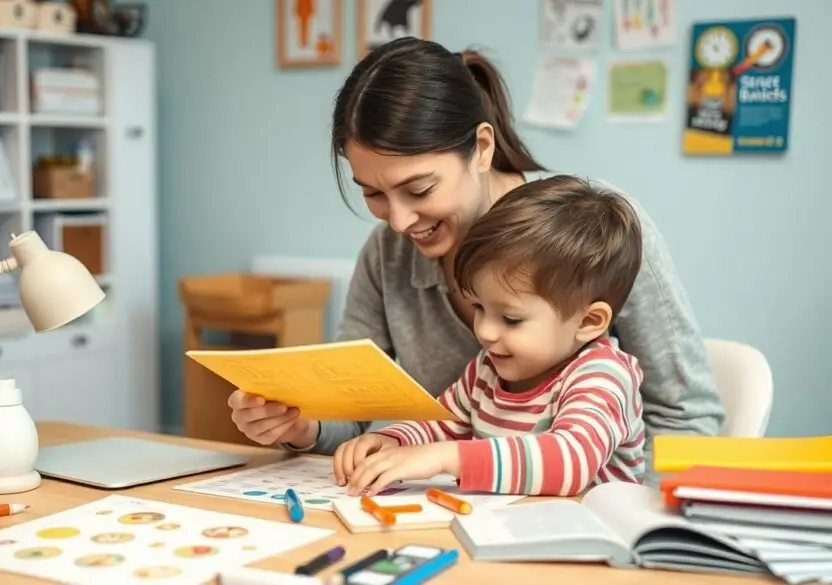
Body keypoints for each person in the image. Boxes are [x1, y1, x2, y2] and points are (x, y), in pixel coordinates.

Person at [226, 37, 724, 483]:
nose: (397, 222)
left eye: (418, 189)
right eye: (373, 194)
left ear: (482, 148)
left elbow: (685, 420)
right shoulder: (397, 265)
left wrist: (645, 530)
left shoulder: (592, 235)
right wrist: (301, 426)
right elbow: (387, 418)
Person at [335, 175, 646, 497]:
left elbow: (571, 461)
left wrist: (448, 457)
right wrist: (393, 441)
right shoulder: (486, 370)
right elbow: (442, 425)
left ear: (590, 321)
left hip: (591, 539)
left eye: (511, 319)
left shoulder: (602, 376)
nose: (483, 331)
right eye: (478, 307)